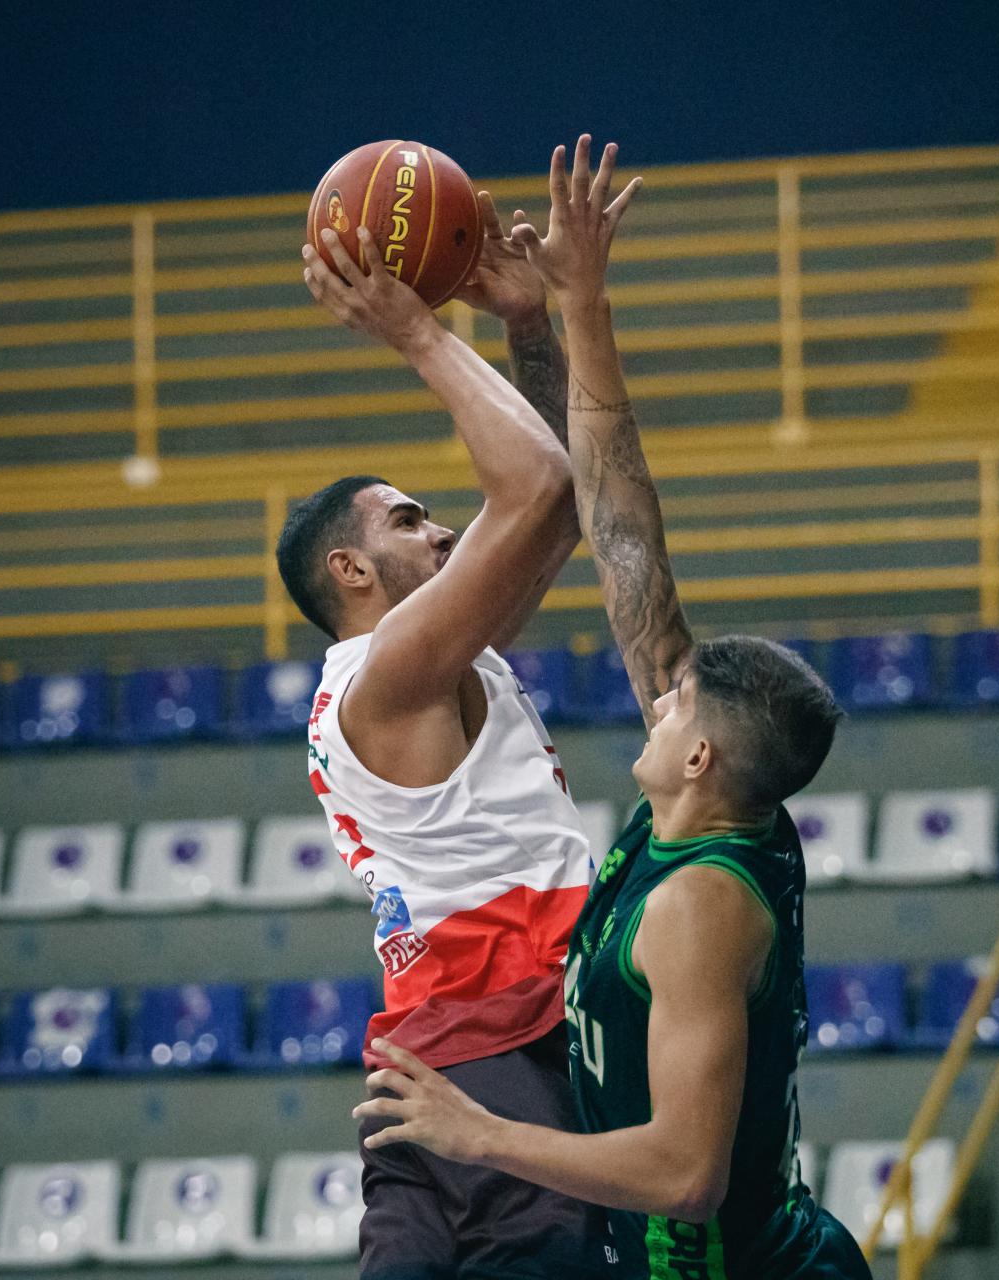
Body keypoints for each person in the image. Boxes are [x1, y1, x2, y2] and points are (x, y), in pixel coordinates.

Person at [353, 137, 873, 1280]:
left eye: (674, 691)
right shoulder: (714, 801)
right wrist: (569, 312)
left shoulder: (696, 905)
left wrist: (474, 1130)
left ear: (693, 753)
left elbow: (685, 1174)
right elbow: (621, 527)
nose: (655, 676)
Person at [279, 185, 638, 1278]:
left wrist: (528, 324)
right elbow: (528, 485)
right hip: (502, 1041)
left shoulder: (432, 662)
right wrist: (419, 330)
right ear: (349, 571)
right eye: (406, 519)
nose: (439, 527)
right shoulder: (393, 673)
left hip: (435, 1050)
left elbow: (559, 506)